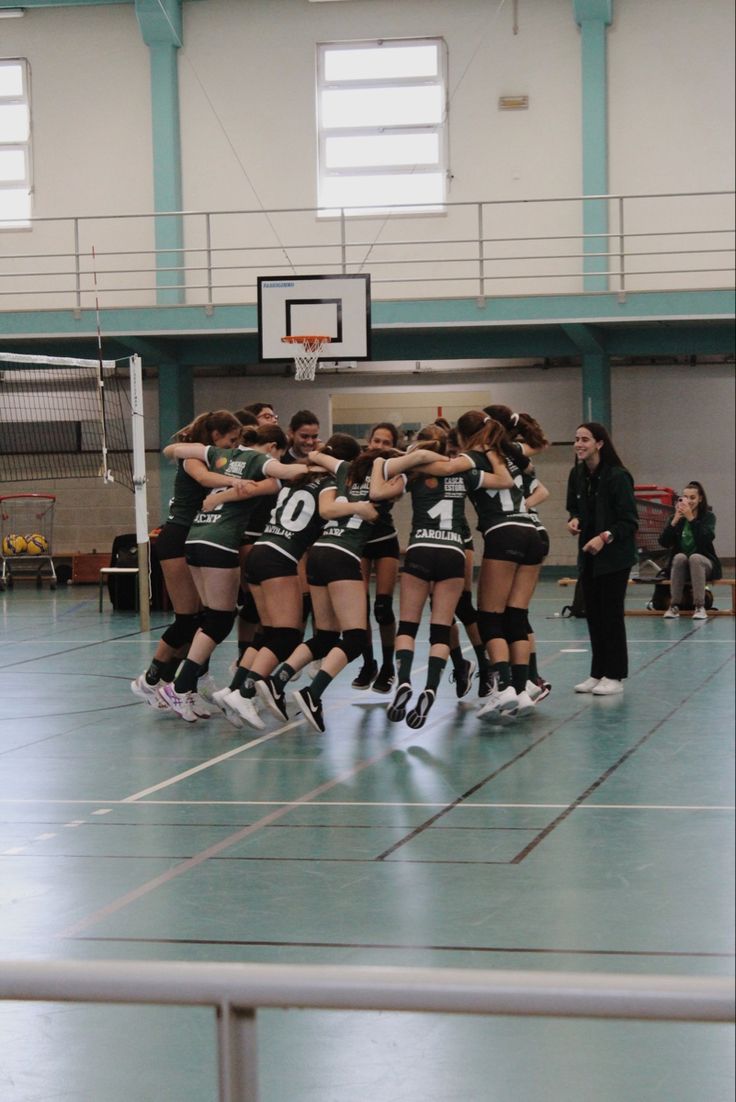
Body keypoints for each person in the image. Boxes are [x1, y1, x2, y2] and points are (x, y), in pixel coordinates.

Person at [155, 425, 309, 722]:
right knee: (220, 618)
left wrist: (219, 494)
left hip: (195, 537)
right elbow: (285, 474)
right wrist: (313, 466)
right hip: (220, 540)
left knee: (210, 617)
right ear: (272, 447)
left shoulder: (219, 454)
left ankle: (183, 685)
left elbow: (173, 450)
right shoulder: (260, 462)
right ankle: (180, 685)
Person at [215, 433, 362, 728]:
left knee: (268, 632)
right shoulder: (330, 484)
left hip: (259, 550)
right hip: (279, 557)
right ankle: (246, 693)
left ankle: (233, 689)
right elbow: (326, 511)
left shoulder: (298, 476)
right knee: (286, 636)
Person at [370, 424, 512, 729]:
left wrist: (390, 462)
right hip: (453, 553)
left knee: (407, 626)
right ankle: (431, 689)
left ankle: (404, 682)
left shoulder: (417, 473)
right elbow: (505, 480)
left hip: (420, 548)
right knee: (440, 629)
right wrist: (490, 451)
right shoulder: (462, 472)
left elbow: (377, 492)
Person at [130, 409, 244, 709]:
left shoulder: (214, 456)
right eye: (231, 440)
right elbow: (204, 477)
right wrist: (237, 481)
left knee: (200, 620)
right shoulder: (196, 458)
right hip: (177, 537)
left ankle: (174, 684)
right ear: (216, 436)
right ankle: (150, 680)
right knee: (186, 619)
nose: (234, 446)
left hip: (194, 537)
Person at [566, 422, 638, 696]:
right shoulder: (577, 474)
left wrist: (604, 536)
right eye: (576, 439)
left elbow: (629, 521)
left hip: (615, 559)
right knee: (593, 616)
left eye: (585, 439)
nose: (579, 444)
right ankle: (598, 673)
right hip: (589, 558)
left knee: (611, 616)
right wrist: (574, 520)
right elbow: (574, 508)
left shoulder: (618, 476)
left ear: (600, 443)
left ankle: (615, 675)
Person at [353, 422, 402, 694]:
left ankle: (388, 667)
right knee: (359, 608)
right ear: (368, 440)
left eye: (386, 442)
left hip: (384, 540)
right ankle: (368, 662)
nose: (380, 446)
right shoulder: (356, 465)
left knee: (382, 608)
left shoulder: (393, 467)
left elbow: (397, 492)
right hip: (359, 541)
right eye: (377, 441)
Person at [659, 481, 721, 620]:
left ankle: (700, 606)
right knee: (680, 557)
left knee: (695, 557)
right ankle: (674, 606)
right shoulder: (675, 518)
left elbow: (705, 539)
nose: (689, 501)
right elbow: (663, 542)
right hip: (681, 566)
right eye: (685, 497)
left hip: (704, 563)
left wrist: (691, 519)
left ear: (700, 499)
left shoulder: (708, 517)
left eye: (692, 498)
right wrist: (674, 521)